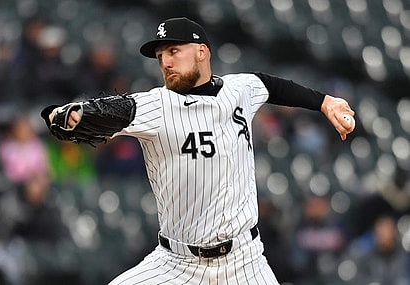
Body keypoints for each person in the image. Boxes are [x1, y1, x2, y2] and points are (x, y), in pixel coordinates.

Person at [41, 17, 355, 285]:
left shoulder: (239, 89)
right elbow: (118, 109)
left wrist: (324, 102)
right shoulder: (157, 105)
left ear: (202, 52)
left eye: (174, 51)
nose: (165, 61)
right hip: (176, 264)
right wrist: (64, 114)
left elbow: (272, 85)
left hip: (245, 263)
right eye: (161, 55)